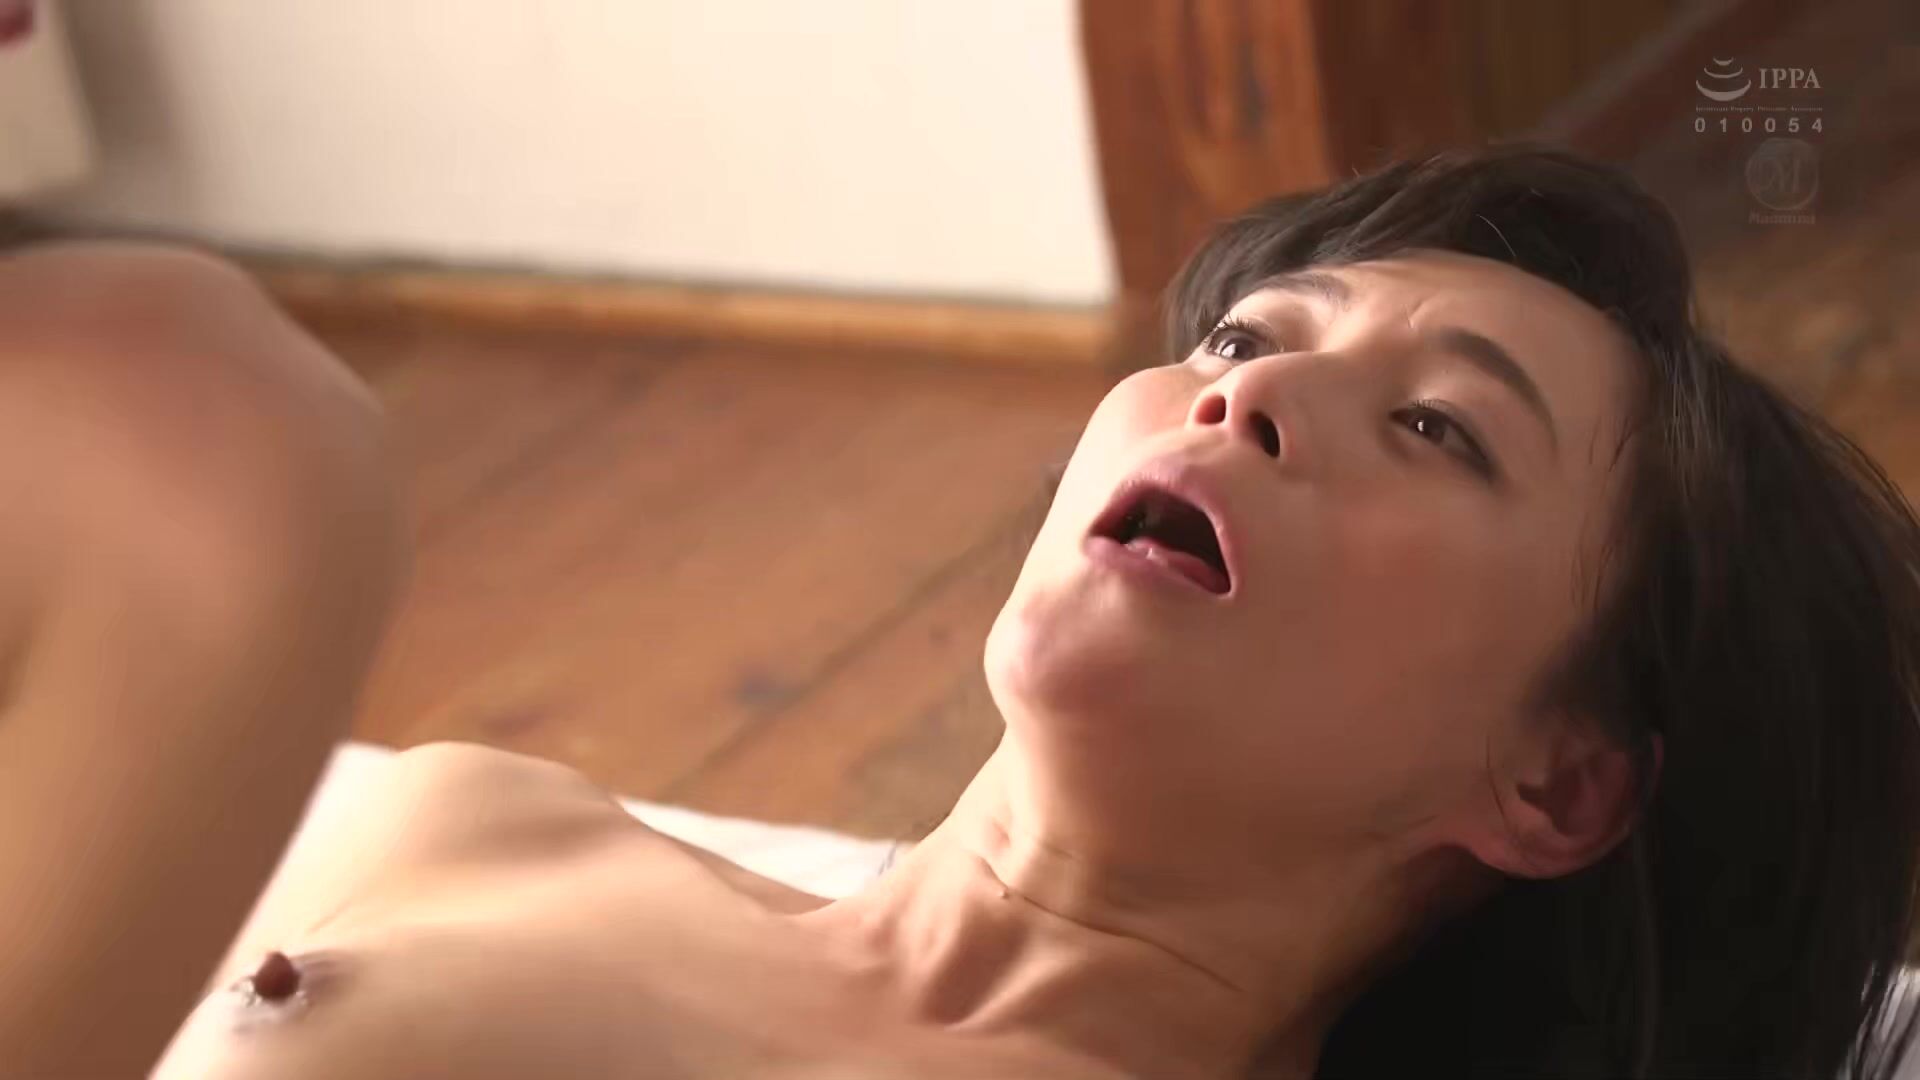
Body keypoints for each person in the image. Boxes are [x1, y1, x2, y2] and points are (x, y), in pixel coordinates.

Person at [6, 144, 1917, 1079]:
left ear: (1558, 784)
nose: (1248, 393)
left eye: (1438, 429)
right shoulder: (477, 821)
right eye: (1245, 338)